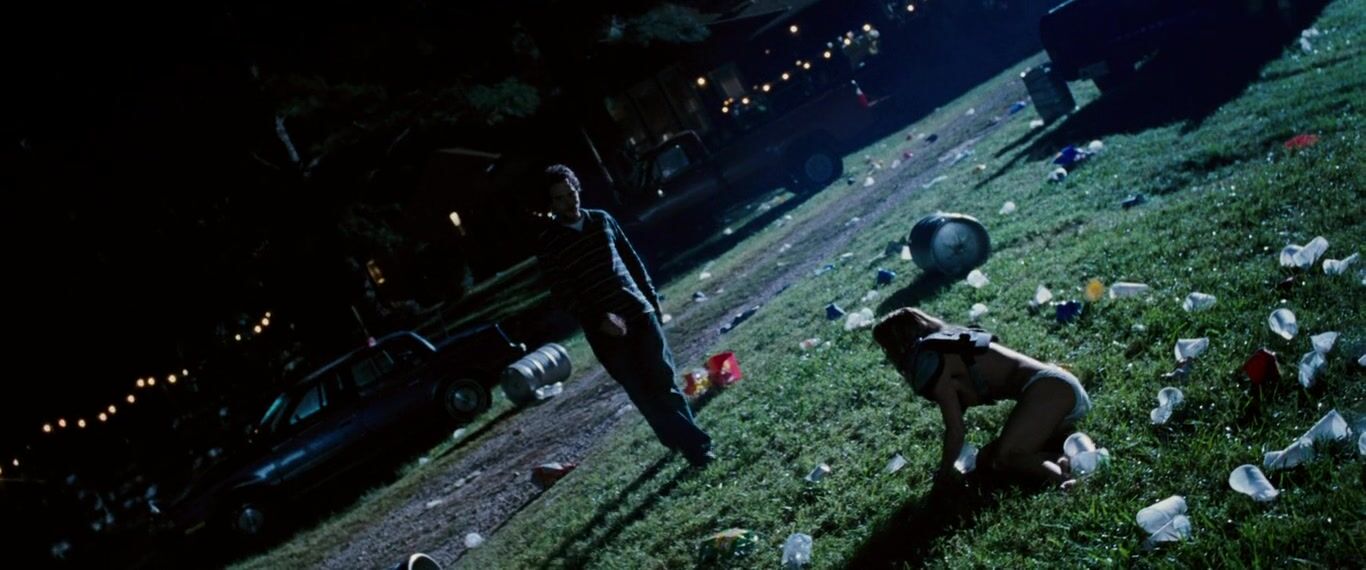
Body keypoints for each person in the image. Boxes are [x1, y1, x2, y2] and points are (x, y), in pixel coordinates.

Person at [534, 164, 715, 467]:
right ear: (550, 204)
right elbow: (564, 295)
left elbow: (632, 261)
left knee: (663, 381)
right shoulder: (550, 244)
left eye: (571, 192)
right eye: (560, 198)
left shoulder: (602, 220)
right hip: (604, 332)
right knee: (642, 392)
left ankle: (696, 447)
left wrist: (651, 301)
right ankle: (678, 438)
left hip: (639, 313)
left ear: (578, 188)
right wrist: (599, 320)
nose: (569, 201)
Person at [871, 307, 1091, 489]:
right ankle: (1064, 461)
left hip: (1051, 390)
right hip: (1057, 391)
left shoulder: (931, 361)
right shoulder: (947, 343)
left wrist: (943, 474)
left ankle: (1066, 480)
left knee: (1005, 457)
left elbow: (956, 429)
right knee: (986, 459)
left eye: (886, 349)